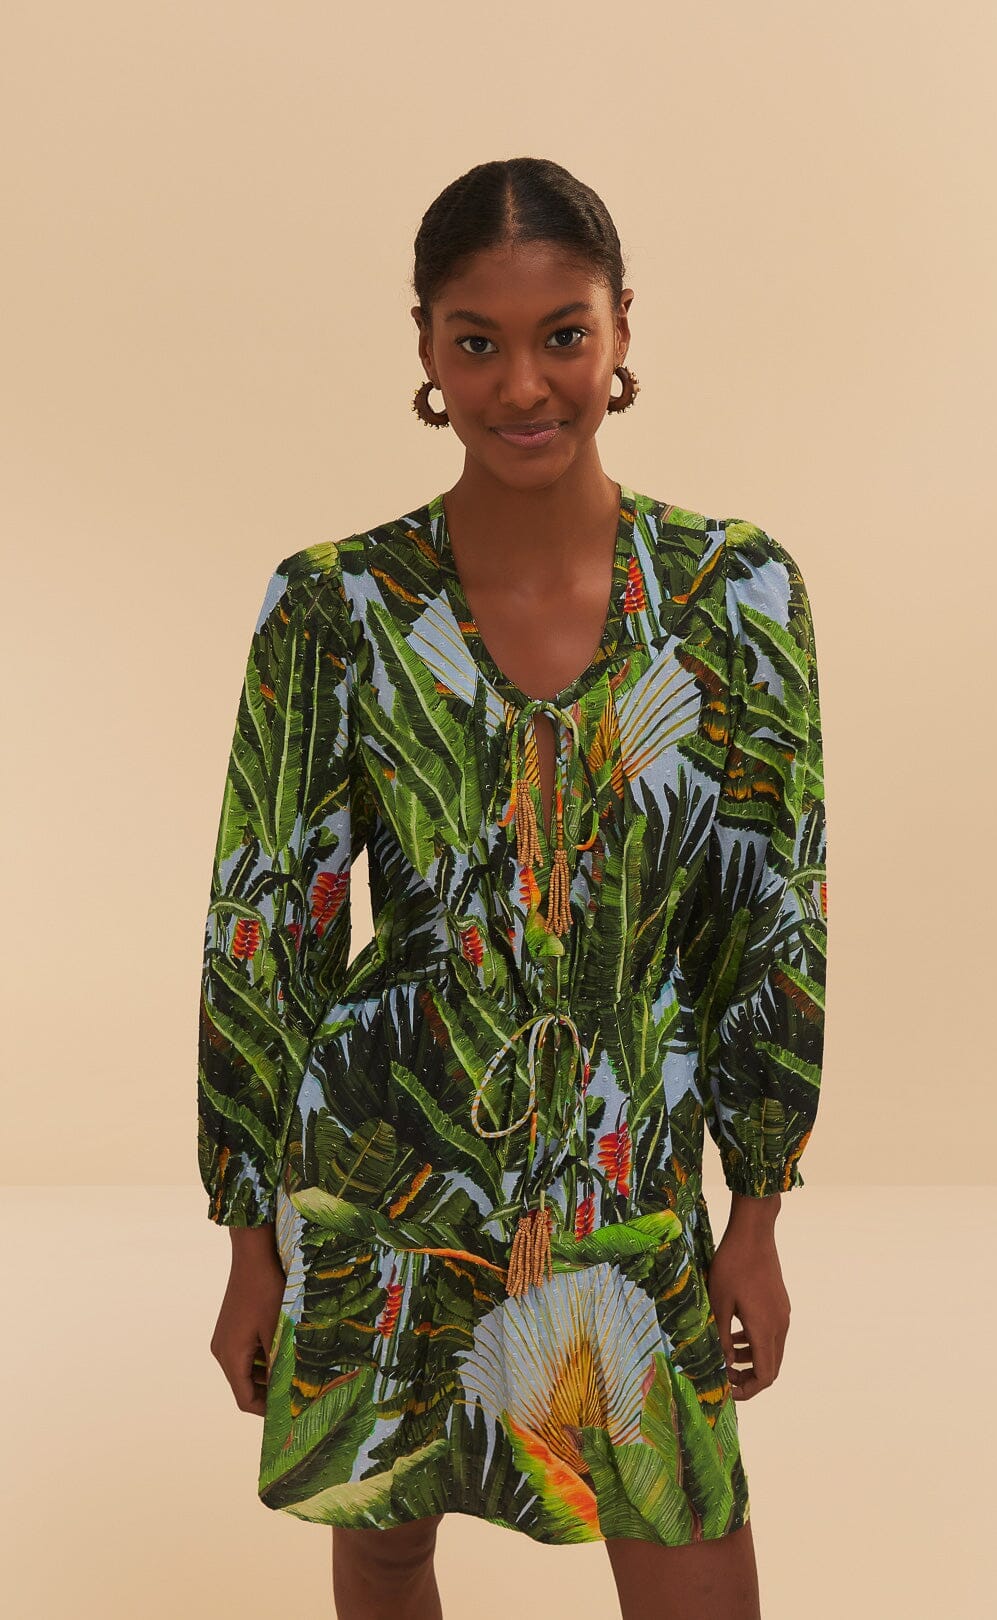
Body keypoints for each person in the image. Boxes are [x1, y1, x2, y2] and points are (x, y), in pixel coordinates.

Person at [198, 156, 827, 1620]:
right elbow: (264, 934)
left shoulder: (734, 596)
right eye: (477, 339)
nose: (524, 383)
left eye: (563, 334)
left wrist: (757, 1212)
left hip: (630, 1177)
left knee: (692, 1554)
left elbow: (772, 919)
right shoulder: (337, 605)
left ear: (621, 329)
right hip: (388, 1175)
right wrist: (248, 1241)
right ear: (426, 346)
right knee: (387, 1539)